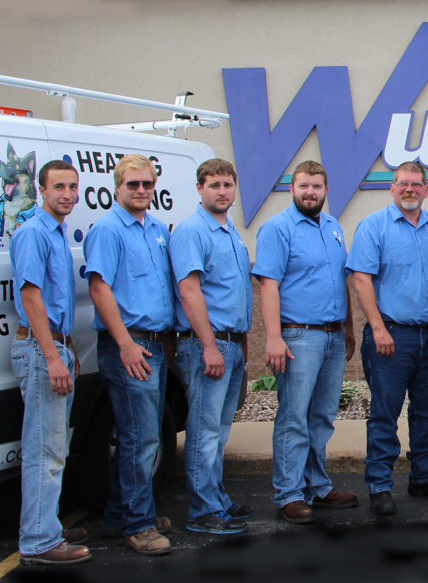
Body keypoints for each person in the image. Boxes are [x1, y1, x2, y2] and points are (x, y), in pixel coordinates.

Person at [347, 161, 428, 516]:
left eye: (416, 184)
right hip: (391, 337)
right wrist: (377, 327)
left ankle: (424, 476)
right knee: (385, 412)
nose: (409, 189)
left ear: (426, 190)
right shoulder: (373, 227)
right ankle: (380, 484)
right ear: (391, 188)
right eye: (402, 184)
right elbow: (361, 279)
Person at [251, 160, 360, 523]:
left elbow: (339, 281)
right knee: (294, 417)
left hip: (331, 336)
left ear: (326, 191)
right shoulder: (277, 229)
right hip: (298, 335)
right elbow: (268, 285)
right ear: (291, 189)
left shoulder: (332, 228)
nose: (310, 192)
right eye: (303, 186)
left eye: (316, 187)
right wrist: (273, 338)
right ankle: (289, 493)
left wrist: (347, 327)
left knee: (322, 416)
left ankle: (318, 484)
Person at [84, 154, 174, 555]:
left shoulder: (156, 229)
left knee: (144, 435)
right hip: (129, 344)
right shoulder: (107, 229)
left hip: (155, 343)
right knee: (140, 439)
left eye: (147, 184)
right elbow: (99, 289)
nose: (141, 190)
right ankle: (139, 525)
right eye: (133, 184)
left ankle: (121, 514)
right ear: (116, 187)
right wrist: (124, 344)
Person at [9, 159, 90, 565]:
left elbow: (56, 302)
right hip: (41, 352)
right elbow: (30, 298)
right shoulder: (33, 234)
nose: (68, 194)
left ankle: (48, 524)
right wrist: (50, 355)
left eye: (73, 187)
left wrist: (68, 348)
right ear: (42, 190)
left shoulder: (57, 234)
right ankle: (40, 541)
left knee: (56, 445)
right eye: (59, 187)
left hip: (57, 348)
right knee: (45, 450)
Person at [171, 158, 254, 534]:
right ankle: (203, 511)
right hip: (208, 344)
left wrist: (241, 345)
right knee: (204, 432)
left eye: (227, 185)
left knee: (218, 431)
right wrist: (209, 346)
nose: (222, 192)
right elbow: (189, 291)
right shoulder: (193, 230)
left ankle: (217, 500)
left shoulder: (229, 231)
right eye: (214, 185)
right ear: (200, 189)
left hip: (230, 343)